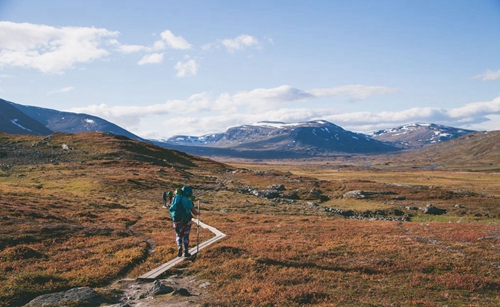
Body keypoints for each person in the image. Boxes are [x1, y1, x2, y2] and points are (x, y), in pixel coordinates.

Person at [169, 186, 199, 257]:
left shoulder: (176, 198)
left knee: (178, 235)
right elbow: (193, 211)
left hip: (176, 220)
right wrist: (198, 213)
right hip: (186, 220)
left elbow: (172, 208)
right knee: (186, 235)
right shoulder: (188, 199)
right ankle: (186, 252)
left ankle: (179, 246)